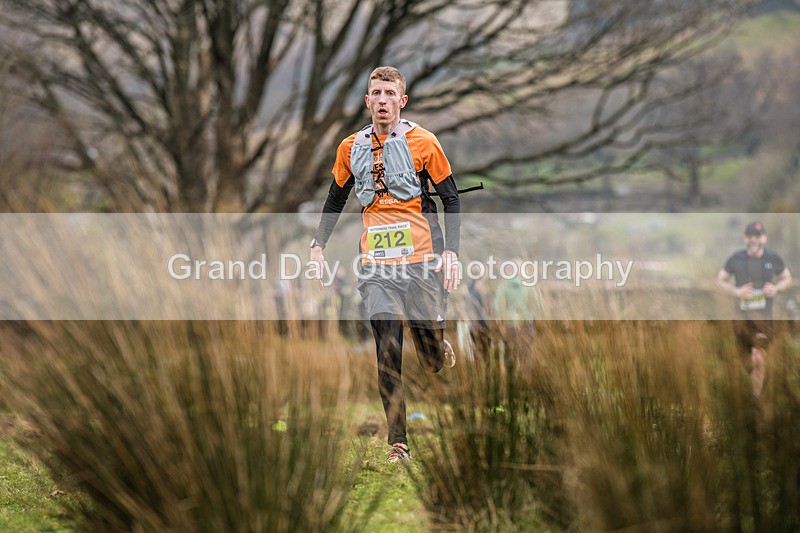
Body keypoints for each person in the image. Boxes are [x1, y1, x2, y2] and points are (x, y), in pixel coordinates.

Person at [310, 66, 461, 463]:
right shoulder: (350, 147)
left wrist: (451, 252)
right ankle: (399, 444)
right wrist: (317, 246)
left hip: (422, 262)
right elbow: (335, 199)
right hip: (377, 268)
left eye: (389, 94)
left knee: (430, 361)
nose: (382, 100)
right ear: (367, 101)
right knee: (387, 351)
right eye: (376, 93)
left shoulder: (424, 142)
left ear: (402, 101)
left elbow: (451, 198)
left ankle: (435, 341)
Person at [716, 222, 792, 397]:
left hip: (764, 321)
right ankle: (752, 391)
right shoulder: (736, 258)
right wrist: (737, 291)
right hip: (741, 320)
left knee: (758, 357)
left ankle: (757, 401)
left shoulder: (773, 258)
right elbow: (720, 280)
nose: (754, 240)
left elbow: (787, 278)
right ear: (745, 238)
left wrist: (776, 288)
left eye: (757, 236)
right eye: (750, 236)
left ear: (764, 238)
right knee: (746, 361)